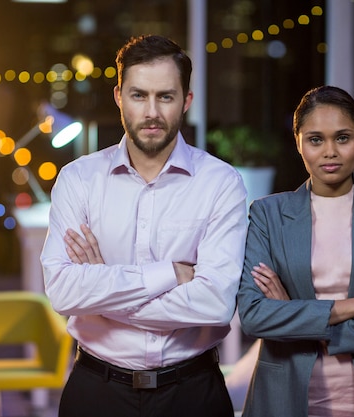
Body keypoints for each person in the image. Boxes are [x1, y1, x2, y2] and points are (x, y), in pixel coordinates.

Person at [40, 34, 248, 417]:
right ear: (119, 96)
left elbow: (216, 305)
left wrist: (103, 288)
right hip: (96, 392)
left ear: (186, 100)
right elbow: (64, 293)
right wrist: (170, 273)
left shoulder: (221, 183)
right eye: (139, 96)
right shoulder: (78, 180)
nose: (151, 111)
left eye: (165, 96)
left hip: (192, 392)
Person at [236, 85, 354, 417]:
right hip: (286, 398)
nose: (330, 152)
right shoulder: (268, 214)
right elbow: (254, 317)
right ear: (298, 143)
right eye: (315, 139)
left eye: (342, 138)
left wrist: (296, 315)